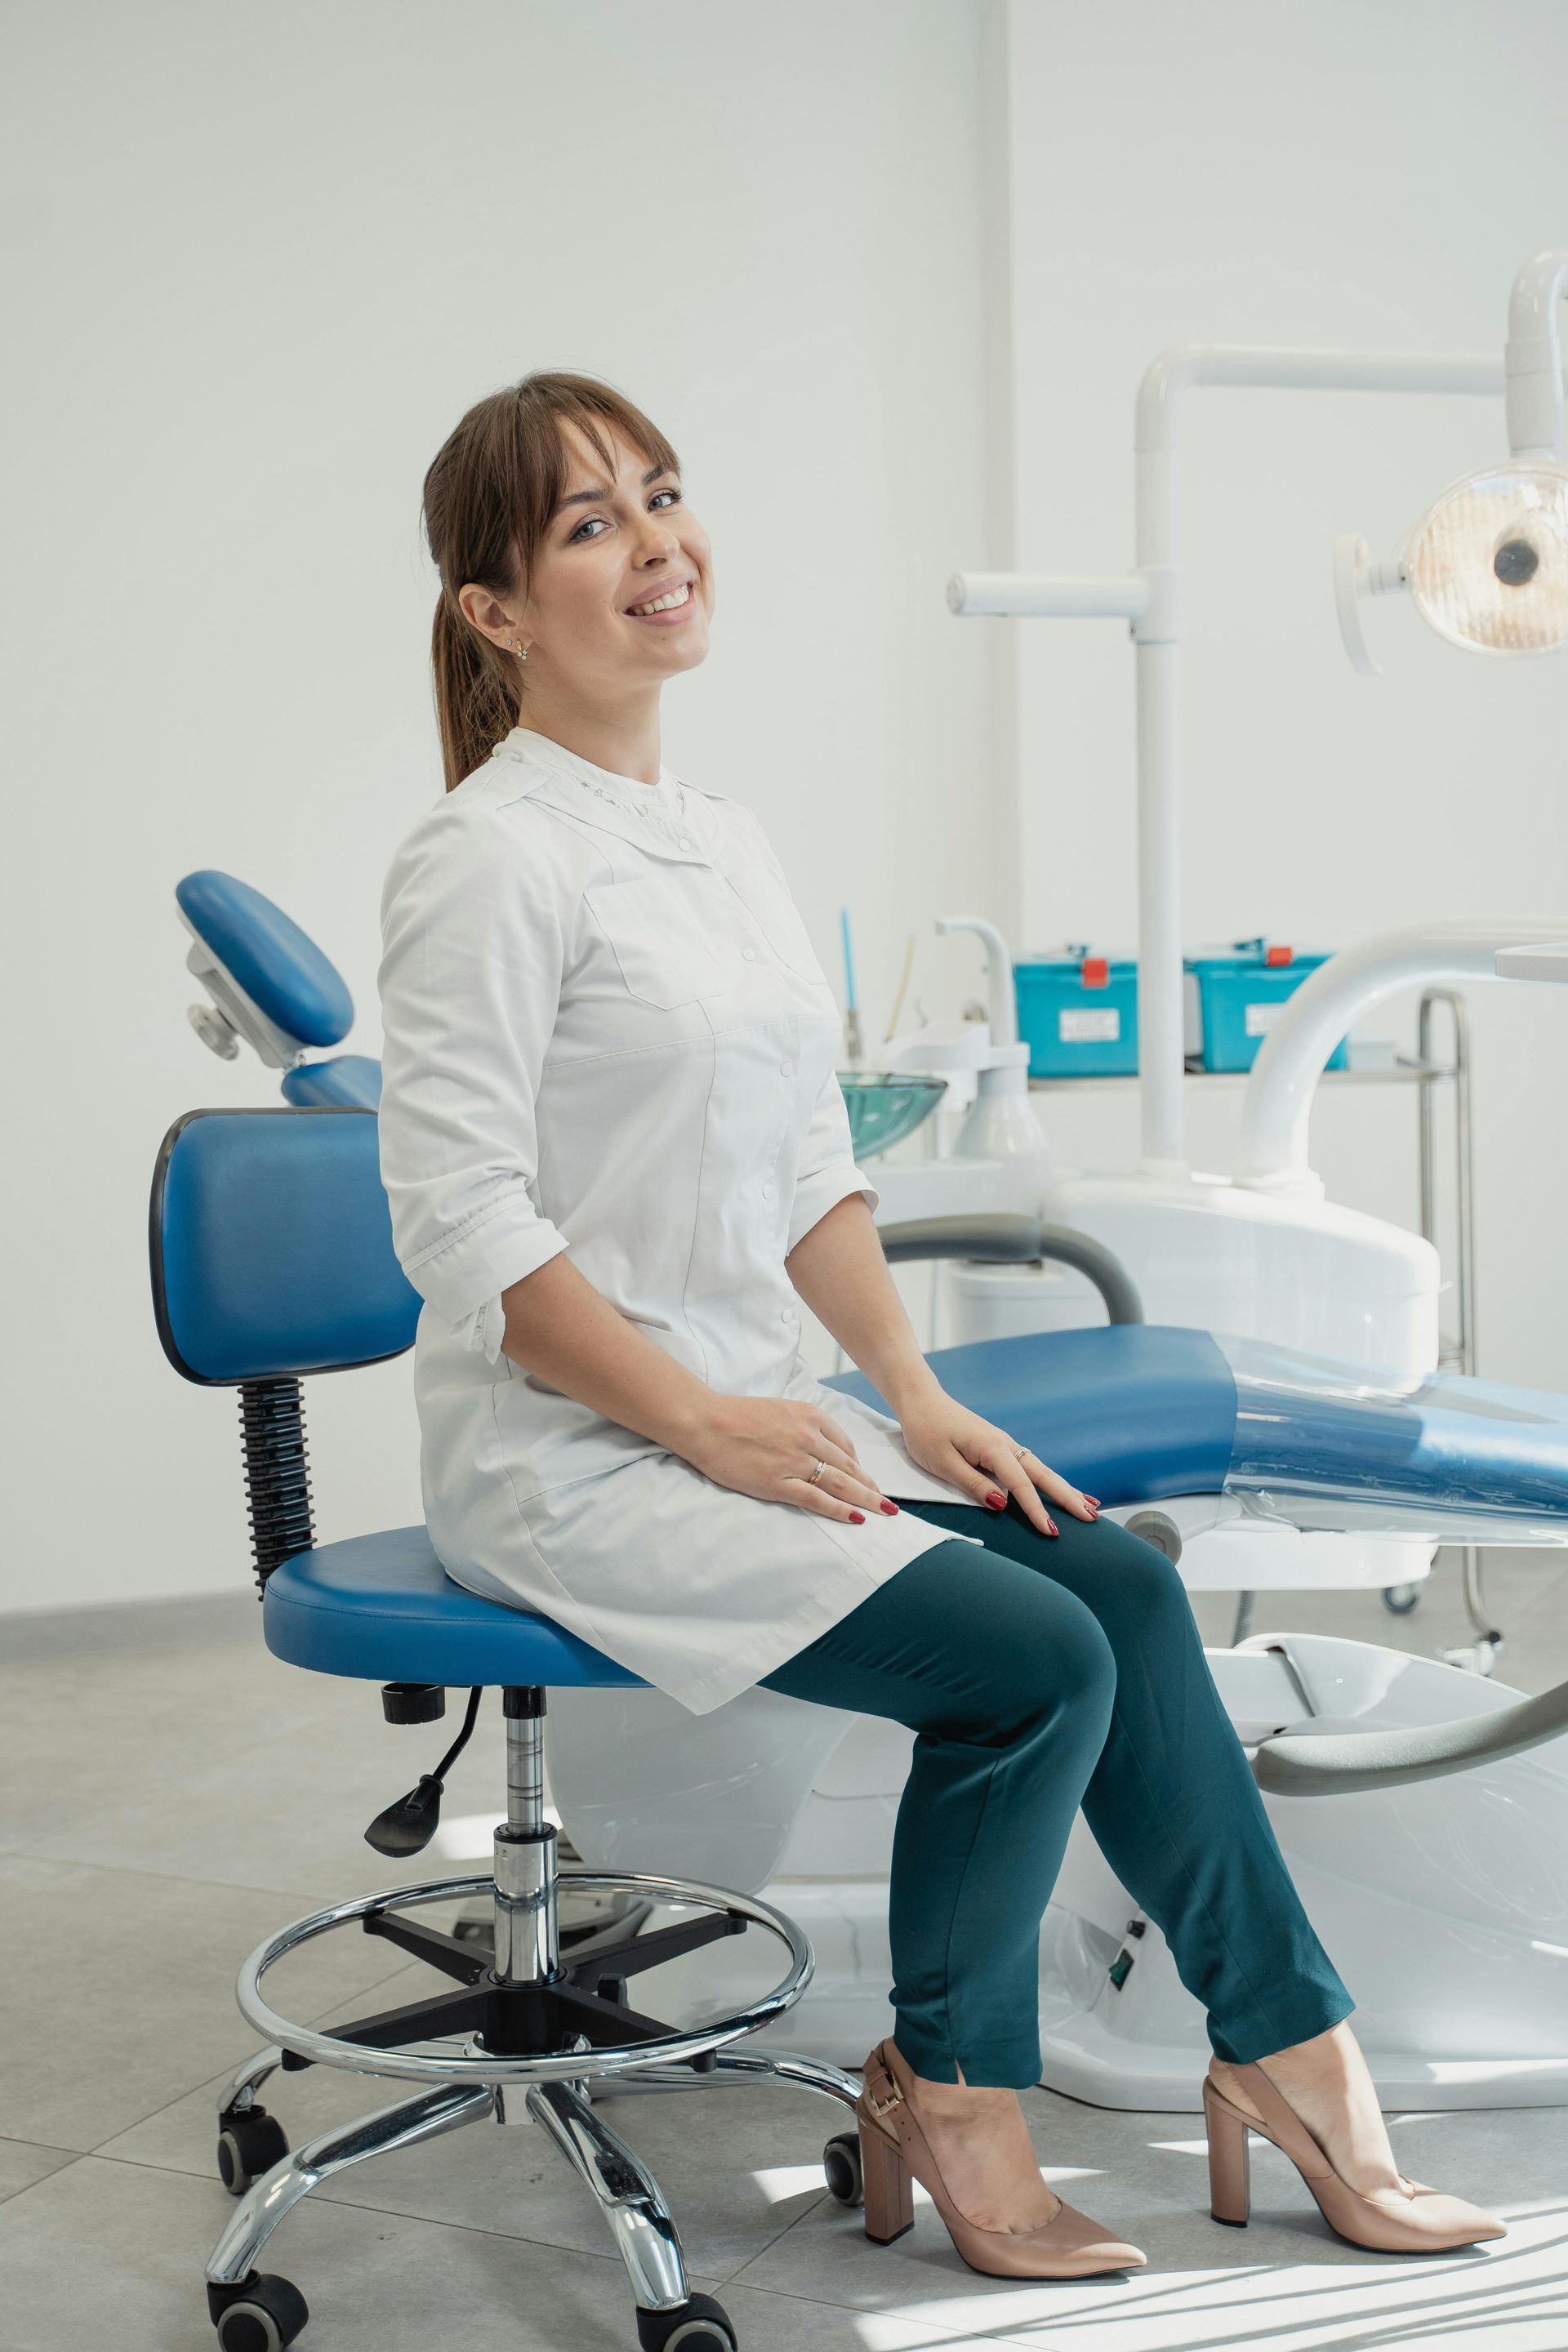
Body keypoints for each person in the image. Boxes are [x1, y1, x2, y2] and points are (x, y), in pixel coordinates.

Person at [376, 370, 1503, 2276]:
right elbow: (465, 1230)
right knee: (1029, 1667)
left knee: (1120, 1586)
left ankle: (1294, 2056)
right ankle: (952, 2093)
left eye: (663, 494)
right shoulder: (489, 858)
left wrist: (904, 1389)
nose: (658, 543)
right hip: (579, 1455)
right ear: (493, 611)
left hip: (760, 1420)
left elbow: (811, 1172)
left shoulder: (718, 837)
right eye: (590, 523)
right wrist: (712, 1426)